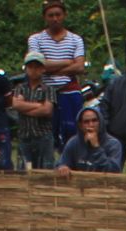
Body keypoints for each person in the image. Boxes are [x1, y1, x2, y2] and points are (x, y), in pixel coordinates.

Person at [28, 0, 88, 142]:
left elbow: (80, 67)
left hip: (69, 91)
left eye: (58, 14)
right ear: (45, 17)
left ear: (64, 15)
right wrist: (67, 62)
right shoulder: (35, 39)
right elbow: (37, 66)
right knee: (45, 135)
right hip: (43, 93)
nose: (55, 18)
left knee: (73, 134)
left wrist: (50, 69)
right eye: (51, 15)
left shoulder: (75, 39)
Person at [11, 51, 60, 170]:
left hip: (43, 136)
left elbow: (47, 110)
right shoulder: (20, 88)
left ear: (43, 69)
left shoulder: (49, 89)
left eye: (37, 66)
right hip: (24, 136)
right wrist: (38, 105)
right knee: (23, 172)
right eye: (30, 66)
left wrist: (25, 108)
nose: (33, 70)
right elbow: (16, 105)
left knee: (45, 172)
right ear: (26, 68)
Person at [56, 105, 124, 173]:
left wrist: (96, 147)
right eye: (86, 122)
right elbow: (62, 163)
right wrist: (63, 167)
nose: (91, 125)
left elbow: (114, 171)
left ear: (100, 122)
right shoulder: (73, 142)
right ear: (80, 125)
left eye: (94, 121)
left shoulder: (113, 144)